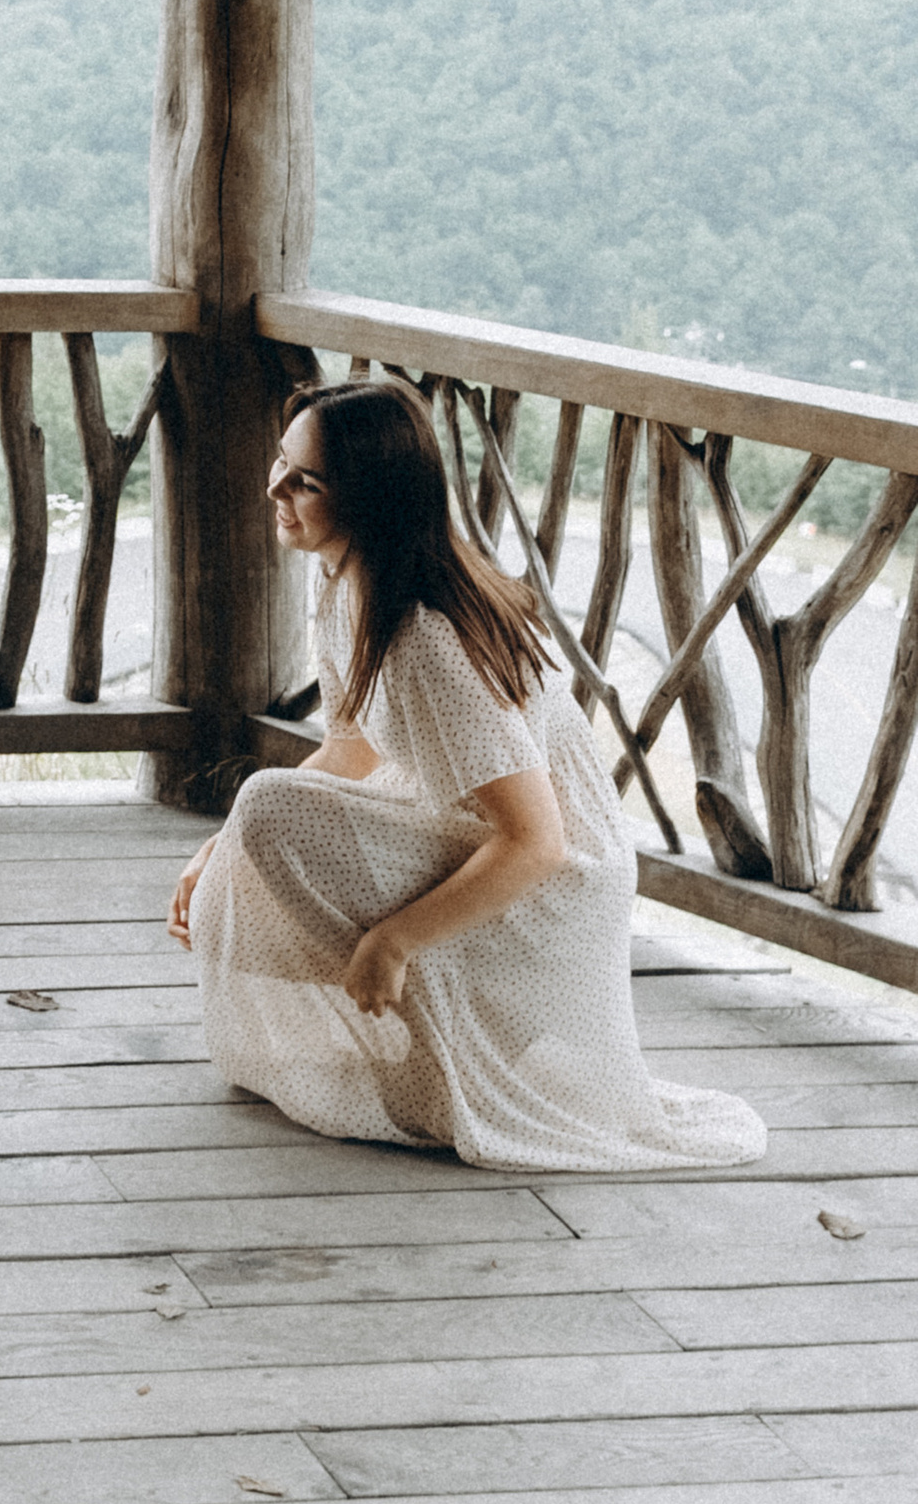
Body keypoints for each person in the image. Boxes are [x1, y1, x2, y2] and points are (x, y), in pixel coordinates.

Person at [169, 378, 766, 1173]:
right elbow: (351, 748)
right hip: (468, 828)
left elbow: (538, 843)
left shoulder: (428, 636)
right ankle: (433, 1027)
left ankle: (448, 1015)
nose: (274, 487)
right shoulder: (347, 584)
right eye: (282, 463)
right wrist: (224, 849)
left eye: (305, 481)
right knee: (259, 820)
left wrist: (394, 939)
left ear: (372, 500)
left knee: (268, 802)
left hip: (555, 885)